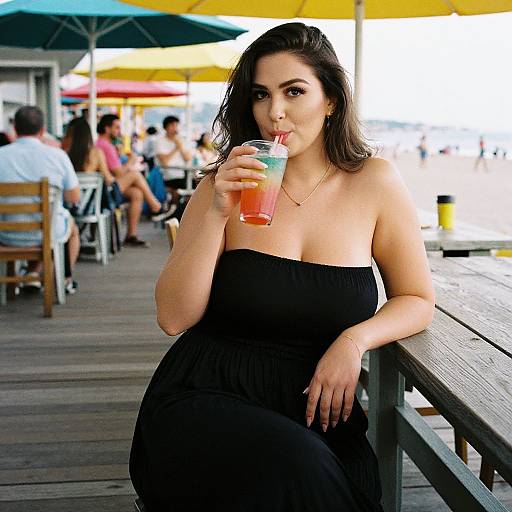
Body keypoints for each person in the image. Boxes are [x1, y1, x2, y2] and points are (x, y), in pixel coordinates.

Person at [129, 23, 435, 511]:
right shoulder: (224, 185)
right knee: (300, 473)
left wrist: (354, 340)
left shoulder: (375, 183)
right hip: (206, 395)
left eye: (294, 91)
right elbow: (173, 318)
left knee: (320, 475)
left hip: (316, 410)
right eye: (260, 94)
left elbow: (416, 299)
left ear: (331, 99)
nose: (274, 112)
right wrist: (216, 212)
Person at [0, 106, 81, 294]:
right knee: (71, 227)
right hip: (48, 234)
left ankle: (32, 274)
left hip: (5, 235)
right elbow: (74, 197)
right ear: (43, 130)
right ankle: (64, 280)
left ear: (15, 129)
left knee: (42, 222)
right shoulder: (57, 155)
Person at [95, 114, 175, 248]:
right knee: (135, 174)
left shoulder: (103, 144)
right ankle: (155, 206)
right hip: (106, 190)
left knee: (137, 193)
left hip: (105, 188)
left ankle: (131, 235)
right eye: (116, 128)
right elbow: (119, 172)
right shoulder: (106, 146)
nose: (118, 131)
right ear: (107, 128)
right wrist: (131, 161)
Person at [155, 116, 192, 205]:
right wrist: (176, 148)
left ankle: (184, 210)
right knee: (186, 186)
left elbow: (187, 158)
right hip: (168, 176)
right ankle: (175, 210)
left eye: (176, 125)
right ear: (166, 127)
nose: (175, 128)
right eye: (172, 125)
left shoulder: (182, 140)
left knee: (197, 184)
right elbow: (164, 162)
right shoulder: (160, 141)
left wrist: (180, 146)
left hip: (183, 174)